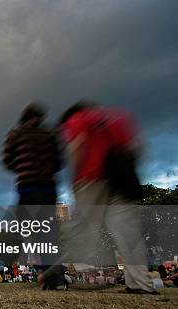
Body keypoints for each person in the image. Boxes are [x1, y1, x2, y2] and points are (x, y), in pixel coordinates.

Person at [57, 101, 157, 294]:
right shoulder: (119, 116)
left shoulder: (78, 119)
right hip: (123, 179)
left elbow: (77, 147)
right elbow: (137, 147)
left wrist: (74, 179)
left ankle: (65, 275)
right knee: (127, 232)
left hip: (91, 178)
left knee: (80, 228)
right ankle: (141, 284)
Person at [2, 102, 63, 289]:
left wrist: (22, 167)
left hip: (27, 188)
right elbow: (59, 161)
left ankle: (43, 271)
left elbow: (6, 160)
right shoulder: (49, 133)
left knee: (27, 230)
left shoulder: (15, 134)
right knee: (50, 232)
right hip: (48, 188)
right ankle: (56, 279)